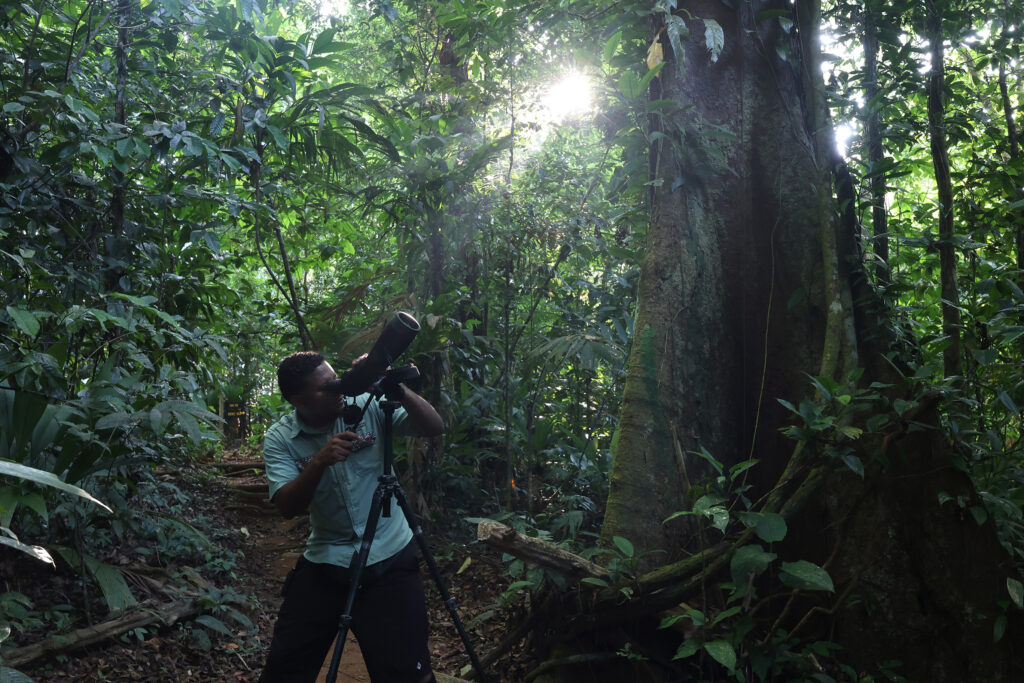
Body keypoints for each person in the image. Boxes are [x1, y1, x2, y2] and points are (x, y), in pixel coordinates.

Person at [259, 350, 443, 683]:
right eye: (327, 387)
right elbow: (287, 507)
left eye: (338, 380)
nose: (339, 390)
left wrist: (395, 389)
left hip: (391, 555)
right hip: (328, 559)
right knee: (285, 667)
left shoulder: (367, 404)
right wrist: (318, 462)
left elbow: (434, 426)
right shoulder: (280, 438)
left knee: (406, 673)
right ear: (299, 400)